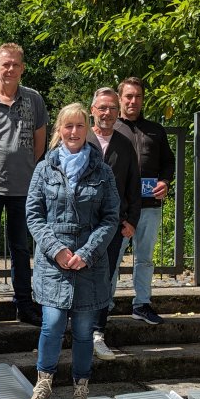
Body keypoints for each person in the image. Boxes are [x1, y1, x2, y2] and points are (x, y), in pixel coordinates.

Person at [24, 103, 119, 399]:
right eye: (68, 126)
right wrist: (57, 250)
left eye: (80, 126)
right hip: (55, 260)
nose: (74, 132)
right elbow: (33, 215)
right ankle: (43, 384)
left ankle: (81, 388)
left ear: (87, 129)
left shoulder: (102, 170)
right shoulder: (44, 168)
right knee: (51, 324)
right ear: (59, 131)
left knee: (82, 331)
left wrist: (87, 253)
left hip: (89, 263)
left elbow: (110, 218)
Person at [0, 42, 48, 331]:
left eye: (16, 64)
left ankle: (24, 306)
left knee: (20, 250)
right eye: (6, 64)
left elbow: (40, 143)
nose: (11, 68)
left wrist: (25, 167)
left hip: (24, 189)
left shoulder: (34, 100)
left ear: (22, 68)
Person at [113, 77, 175, 325]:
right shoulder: (111, 129)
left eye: (137, 96)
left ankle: (142, 304)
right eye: (128, 96)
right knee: (112, 257)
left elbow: (168, 162)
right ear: (120, 98)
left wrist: (165, 181)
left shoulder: (156, 130)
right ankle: (103, 305)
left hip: (149, 205)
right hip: (118, 208)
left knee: (145, 258)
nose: (133, 101)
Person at [85, 87, 140, 360]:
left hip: (113, 226)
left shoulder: (125, 144)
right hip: (80, 224)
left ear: (118, 113)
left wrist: (131, 221)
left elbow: (133, 185)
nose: (107, 113)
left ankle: (97, 333)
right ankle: (75, 331)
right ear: (92, 109)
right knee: (77, 275)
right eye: (102, 108)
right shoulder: (78, 137)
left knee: (104, 280)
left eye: (112, 109)